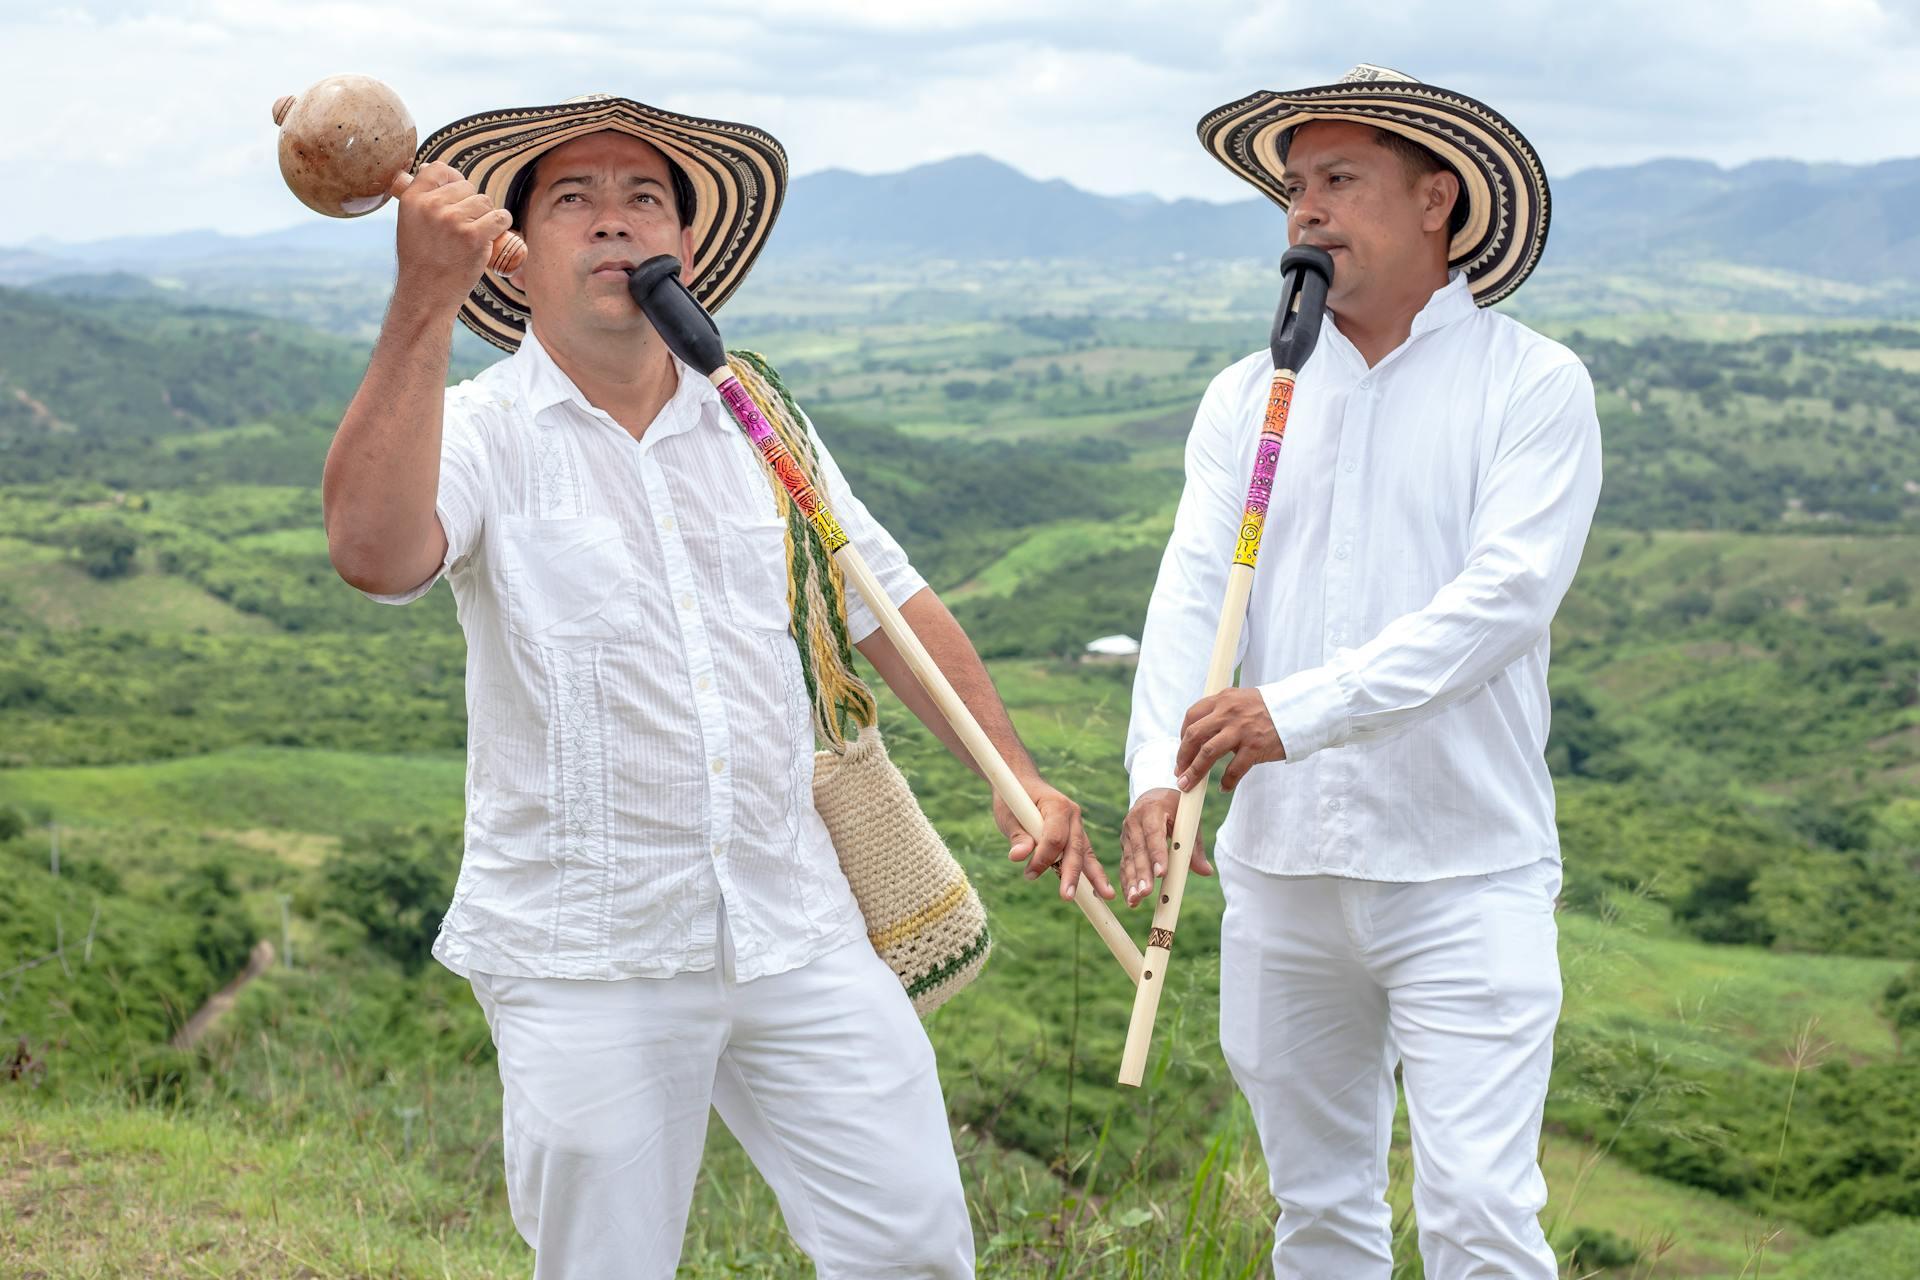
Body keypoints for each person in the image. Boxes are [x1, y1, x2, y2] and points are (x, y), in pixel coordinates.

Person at [322, 92, 1113, 1280]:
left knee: (914, 1244)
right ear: (513, 250)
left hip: (796, 917)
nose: (617, 225)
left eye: (647, 200)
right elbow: (374, 553)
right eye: (574, 202)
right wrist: (421, 300)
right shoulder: (481, 430)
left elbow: (885, 603)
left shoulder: (760, 419)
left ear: (686, 249)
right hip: (588, 947)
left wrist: (1014, 776)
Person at [1120, 65, 1602, 1278]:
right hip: (1280, 872)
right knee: (1319, 1212)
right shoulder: (1248, 394)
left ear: (1439, 199)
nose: (1306, 212)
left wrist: (1299, 709)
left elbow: (1503, 601)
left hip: (1464, 865)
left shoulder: (1532, 385)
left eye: (1339, 180)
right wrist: (1154, 773)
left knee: (1481, 1216)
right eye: (1295, 186)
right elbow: (1191, 598)